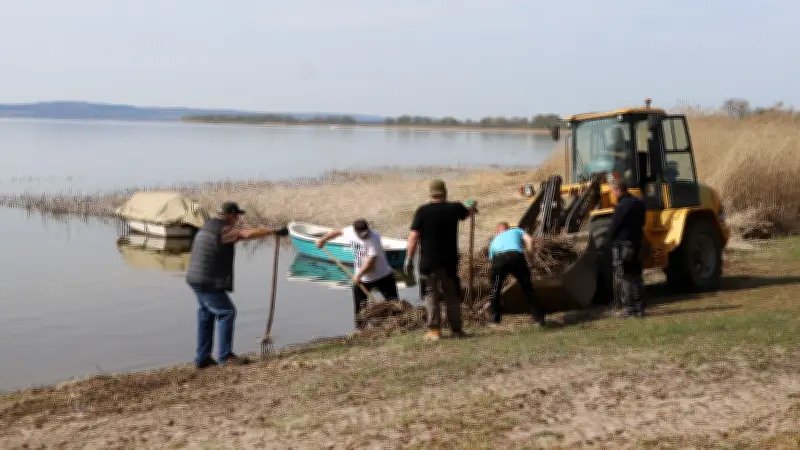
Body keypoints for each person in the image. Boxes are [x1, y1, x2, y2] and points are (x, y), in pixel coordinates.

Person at [185, 201, 288, 369]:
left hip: (195, 278)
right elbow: (245, 234)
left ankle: (202, 358)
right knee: (227, 312)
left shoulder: (209, 226)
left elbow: (236, 238)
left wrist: (264, 232)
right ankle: (225, 357)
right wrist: (273, 231)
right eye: (237, 216)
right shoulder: (224, 228)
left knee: (206, 314)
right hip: (206, 280)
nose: (238, 219)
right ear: (231, 215)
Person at [405, 179, 477, 341]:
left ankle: (434, 331)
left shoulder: (422, 211)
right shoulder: (455, 208)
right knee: (452, 295)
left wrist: (409, 258)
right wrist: (470, 206)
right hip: (449, 261)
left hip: (429, 262)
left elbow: (413, 237)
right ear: (445, 192)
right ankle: (456, 330)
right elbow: (467, 212)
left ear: (430, 194)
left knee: (431, 294)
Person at [315, 218, 399, 327]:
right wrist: (323, 240)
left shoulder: (374, 237)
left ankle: (399, 324)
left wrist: (358, 275)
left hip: (382, 276)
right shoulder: (350, 232)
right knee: (359, 308)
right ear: (355, 231)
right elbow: (336, 232)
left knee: (394, 303)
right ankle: (360, 329)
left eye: (366, 233)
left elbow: (371, 262)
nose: (364, 236)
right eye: (361, 234)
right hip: (362, 279)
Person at [487, 222, 546, 327]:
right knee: (528, 289)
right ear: (509, 228)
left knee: (495, 290)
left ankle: (495, 320)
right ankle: (538, 319)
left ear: (497, 232)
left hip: (498, 259)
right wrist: (531, 260)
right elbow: (530, 240)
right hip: (516, 256)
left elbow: (493, 262)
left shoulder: (493, 241)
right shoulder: (517, 230)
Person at [608, 179, 647, 318]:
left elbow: (614, 227)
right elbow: (643, 222)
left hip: (624, 246)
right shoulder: (640, 203)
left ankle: (629, 310)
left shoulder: (621, 207)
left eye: (612, 191)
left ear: (619, 190)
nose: (612, 194)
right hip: (638, 243)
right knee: (637, 276)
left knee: (626, 277)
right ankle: (640, 308)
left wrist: (610, 239)